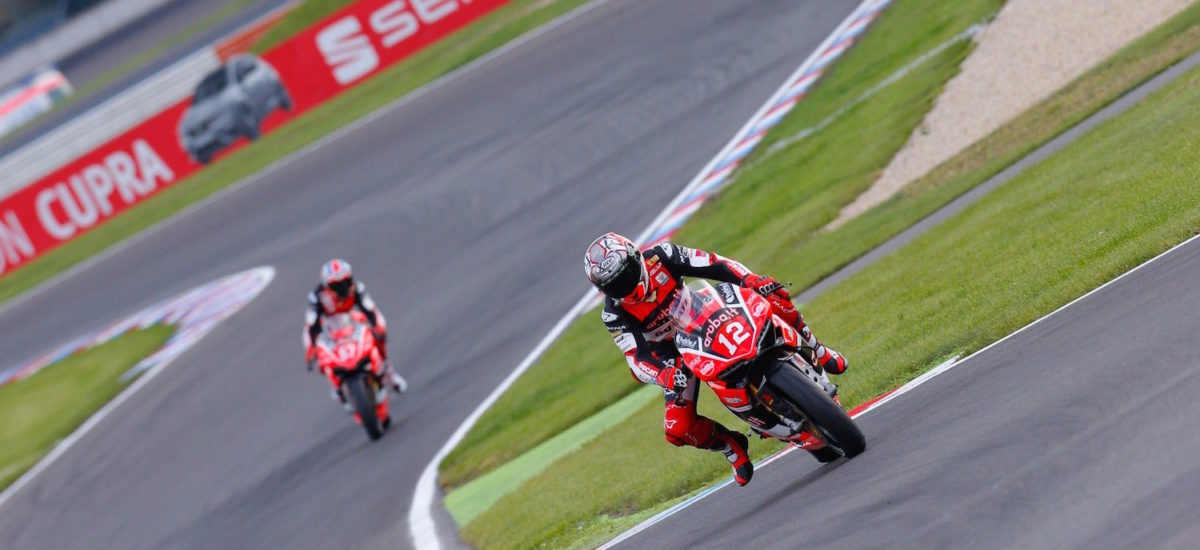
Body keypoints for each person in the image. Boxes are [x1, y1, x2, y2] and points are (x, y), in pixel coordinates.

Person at [584, 233, 847, 486]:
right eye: (614, 285)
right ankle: (731, 447)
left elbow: (713, 263)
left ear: (635, 258)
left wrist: (750, 279)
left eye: (626, 275)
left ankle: (819, 351)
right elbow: (635, 357)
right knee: (677, 427)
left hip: (703, 311)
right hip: (673, 356)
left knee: (771, 293)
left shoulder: (661, 255)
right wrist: (663, 374)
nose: (624, 285)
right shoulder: (613, 314)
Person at [304, 259, 407, 395]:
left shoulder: (357, 289)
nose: (343, 288)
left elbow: (370, 309)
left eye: (346, 282)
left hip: (351, 323)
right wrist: (311, 348)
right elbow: (312, 324)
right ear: (327, 286)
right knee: (318, 356)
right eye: (337, 285)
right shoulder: (317, 297)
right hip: (331, 329)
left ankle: (389, 372)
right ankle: (337, 386)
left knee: (379, 334)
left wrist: (378, 327)